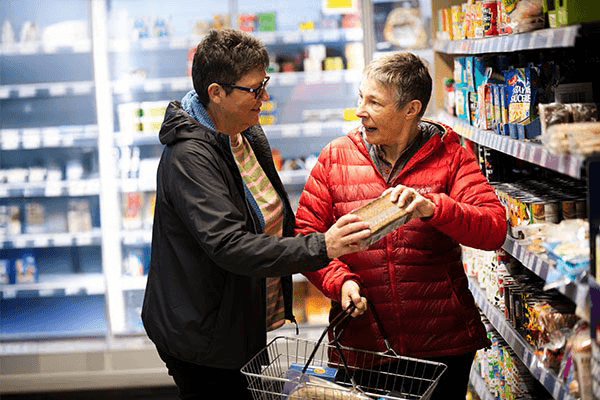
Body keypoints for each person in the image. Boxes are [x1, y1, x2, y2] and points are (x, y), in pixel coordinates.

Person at [141, 28, 371, 400]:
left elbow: (275, 221)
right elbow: (231, 245)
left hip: (236, 319)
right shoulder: (190, 158)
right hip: (203, 336)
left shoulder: (242, 132)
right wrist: (323, 246)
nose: (265, 96)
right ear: (216, 93)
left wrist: (335, 272)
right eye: (254, 89)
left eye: (264, 82)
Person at [295, 52, 508, 400]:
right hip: (364, 346)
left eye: (374, 102)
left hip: (442, 345)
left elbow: (493, 228)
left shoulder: (450, 155)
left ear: (410, 109)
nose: (360, 111)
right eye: (360, 98)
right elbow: (306, 236)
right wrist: (340, 282)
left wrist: (434, 208)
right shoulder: (336, 158)